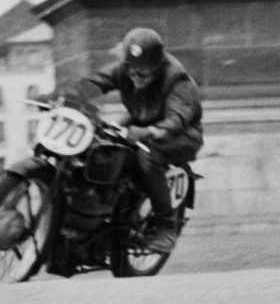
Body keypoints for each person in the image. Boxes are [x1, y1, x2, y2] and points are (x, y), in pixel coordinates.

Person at [72, 27, 203, 254]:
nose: (134, 77)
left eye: (141, 74)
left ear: (156, 66)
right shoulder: (126, 69)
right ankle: (99, 212)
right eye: (130, 70)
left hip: (182, 135)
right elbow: (95, 83)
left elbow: (176, 120)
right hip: (140, 120)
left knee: (147, 155)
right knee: (101, 145)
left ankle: (165, 226)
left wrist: (151, 131)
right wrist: (64, 94)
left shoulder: (178, 80)